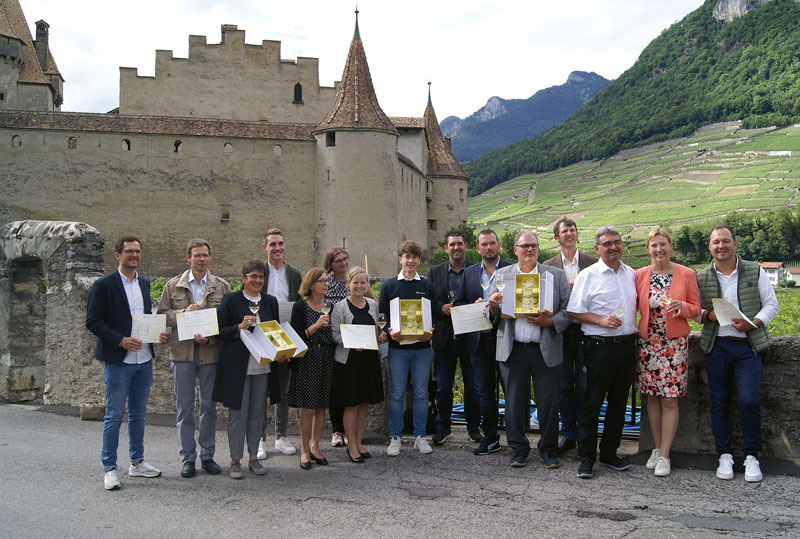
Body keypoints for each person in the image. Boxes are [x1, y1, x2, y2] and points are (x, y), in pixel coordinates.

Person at [86, 235, 168, 490]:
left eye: (138, 251)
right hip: (119, 361)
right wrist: (119, 340)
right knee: (113, 415)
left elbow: (144, 320)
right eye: (129, 251)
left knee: (138, 415)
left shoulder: (144, 283)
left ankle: (137, 462)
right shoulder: (104, 285)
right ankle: (109, 468)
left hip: (143, 360)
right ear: (118, 254)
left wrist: (157, 335)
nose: (134, 255)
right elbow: (93, 321)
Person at [697, 225, 778, 483]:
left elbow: (771, 304)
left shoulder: (754, 271)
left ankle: (751, 456)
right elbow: (695, 311)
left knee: (749, 402)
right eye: (716, 242)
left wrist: (754, 322)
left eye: (725, 241)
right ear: (710, 246)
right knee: (719, 402)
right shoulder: (702, 277)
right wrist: (709, 316)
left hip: (747, 347)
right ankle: (724, 455)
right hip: (717, 346)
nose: (721, 246)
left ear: (735, 244)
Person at [486, 231, 571, 468]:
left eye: (533, 245)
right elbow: (489, 314)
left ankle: (548, 449)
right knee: (513, 402)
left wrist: (550, 322)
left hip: (545, 348)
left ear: (538, 248)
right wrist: (492, 307)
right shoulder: (502, 275)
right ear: (515, 250)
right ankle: (519, 448)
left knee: (548, 402)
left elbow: (568, 311)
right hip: (513, 349)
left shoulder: (555, 275)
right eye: (524, 246)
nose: (529, 250)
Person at [566, 225, 637, 479]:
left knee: (619, 404)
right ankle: (587, 457)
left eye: (617, 242)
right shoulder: (589, 275)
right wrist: (600, 321)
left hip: (627, 347)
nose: (613, 246)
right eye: (607, 243)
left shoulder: (631, 274)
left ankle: (609, 454)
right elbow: (574, 311)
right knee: (591, 403)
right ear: (597, 248)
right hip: (598, 347)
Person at [157, 239, 230, 478]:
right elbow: (162, 316)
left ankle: (207, 456)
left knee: (209, 407)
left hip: (210, 352)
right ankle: (187, 458)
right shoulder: (172, 286)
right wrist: (182, 313)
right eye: (197, 255)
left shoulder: (221, 286)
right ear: (188, 257)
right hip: (182, 353)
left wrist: (209, 338)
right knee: (184, 408)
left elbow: (227, 320)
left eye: (205, 255)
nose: (201, 259)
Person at [634, 228, 701, 477]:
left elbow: (696, 309)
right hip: (649, 344)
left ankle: (665, 455)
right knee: (652, 397)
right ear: (648, 249)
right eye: (654, 246)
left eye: (663, 245)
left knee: (669, 399)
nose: (659, 250)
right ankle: (657, 447)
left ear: (670, 246)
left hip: (674, 345)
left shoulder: (686, 274)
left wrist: (682, 306)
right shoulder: (640, 275)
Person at [213, 260, 280, 479]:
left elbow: (275, 332)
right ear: (243, 278)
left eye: (261, 277)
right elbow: (220, 331)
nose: (257, 280)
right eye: (253, 276)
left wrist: (282, 350)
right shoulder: (231, 300)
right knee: (238, 415)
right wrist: (238, 327)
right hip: (238, 367)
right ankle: (234, 461)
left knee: (257, 415)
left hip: (262, 366)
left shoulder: (270, 301)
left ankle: (253, 457)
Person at [455, 229, 512, 456]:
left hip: (506, 338)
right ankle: (490, 438)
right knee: (485, 394)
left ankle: (517, 439)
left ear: (498, 245)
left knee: (512, 392)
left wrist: (499, 306)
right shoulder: (468, 274)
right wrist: (474, 305)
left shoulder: (511, 269)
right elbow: (458, 303)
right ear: (477, 248)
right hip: (479, 342)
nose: (488, 248)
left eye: (492, 243)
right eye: (483, 245)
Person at [543, 218, 598, 454]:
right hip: (561, 332)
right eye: (564, 231)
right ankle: (569, 434)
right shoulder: (548, 266)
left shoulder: (593, 263)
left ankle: (585, 436)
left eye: (572, 230)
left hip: (586, 331)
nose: (569, 233)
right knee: (563, 386)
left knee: (585, 386)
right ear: (557, 237)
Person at [379, 240, 439, 456]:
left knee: (422, 393)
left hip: (422, 349)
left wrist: (430, 330)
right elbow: (383, 318)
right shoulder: (388, 286)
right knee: (396, 394)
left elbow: (435, 317)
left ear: (419, 260)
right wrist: (388, 331)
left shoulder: (427, 287)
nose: (411, 261)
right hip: (397, 349)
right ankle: (396, 437)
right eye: (407, 256)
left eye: (415, 257)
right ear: (400, 259)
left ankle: (420, 436)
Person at [425, 230, 480, 444]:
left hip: (470, 336)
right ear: (446, 248)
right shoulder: (434, 272)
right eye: (452, 244)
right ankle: (443, 427)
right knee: (443, 387)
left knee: (473, 386)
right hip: (444, 337)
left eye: (459, 243)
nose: (456, 247)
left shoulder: (476, 270)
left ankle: (474, 428)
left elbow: (480, 298)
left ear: (466, 246)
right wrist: (441, 307)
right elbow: (428, 302)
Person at [330, 267, 387, 462]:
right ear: (348, 284)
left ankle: (359, 442)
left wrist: (380, 337)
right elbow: (334, 335)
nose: (359, 286)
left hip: (369, 359)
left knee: (364, 404)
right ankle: (351, 445)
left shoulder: (372, 305)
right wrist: (352, 343)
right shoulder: (339, 307)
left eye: (363, 282)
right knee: (352, 404)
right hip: (349, 361)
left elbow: (375, 331)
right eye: (355, 282)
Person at [323, 247, 376, 448]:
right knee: (342, 394)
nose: (343, 263)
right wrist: (351, 342)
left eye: (345, 259)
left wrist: (378, 336)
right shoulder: (328, 286)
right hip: (341, 349)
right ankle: (339, 431)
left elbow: (374, 313)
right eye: (338, 261)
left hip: (365, 353)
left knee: (361, 400)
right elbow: (332, 325)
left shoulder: (368, 296)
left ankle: (355, 439)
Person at [258, 227, 300, 459]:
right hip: (261, 337)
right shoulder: (258, 271)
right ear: (265, 247)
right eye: (273, 244)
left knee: (282, 391)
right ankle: (259, 439)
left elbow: (298, 304)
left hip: (284, 336)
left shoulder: (293, 274)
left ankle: (281, 436)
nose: (277, 248)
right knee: (261, 392)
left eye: (280, 243)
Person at [288, 267, 336, 469]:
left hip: (326, 358)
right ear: (311, 284)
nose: (325, 284)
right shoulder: (300, 306)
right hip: (308, 358)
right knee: (308, 408)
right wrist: (315, 327)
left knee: (321, 406)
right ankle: (305, 449)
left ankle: (316, 446)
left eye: (326, 281)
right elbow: (294, 337)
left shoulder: (330, 305)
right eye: (321, 281)